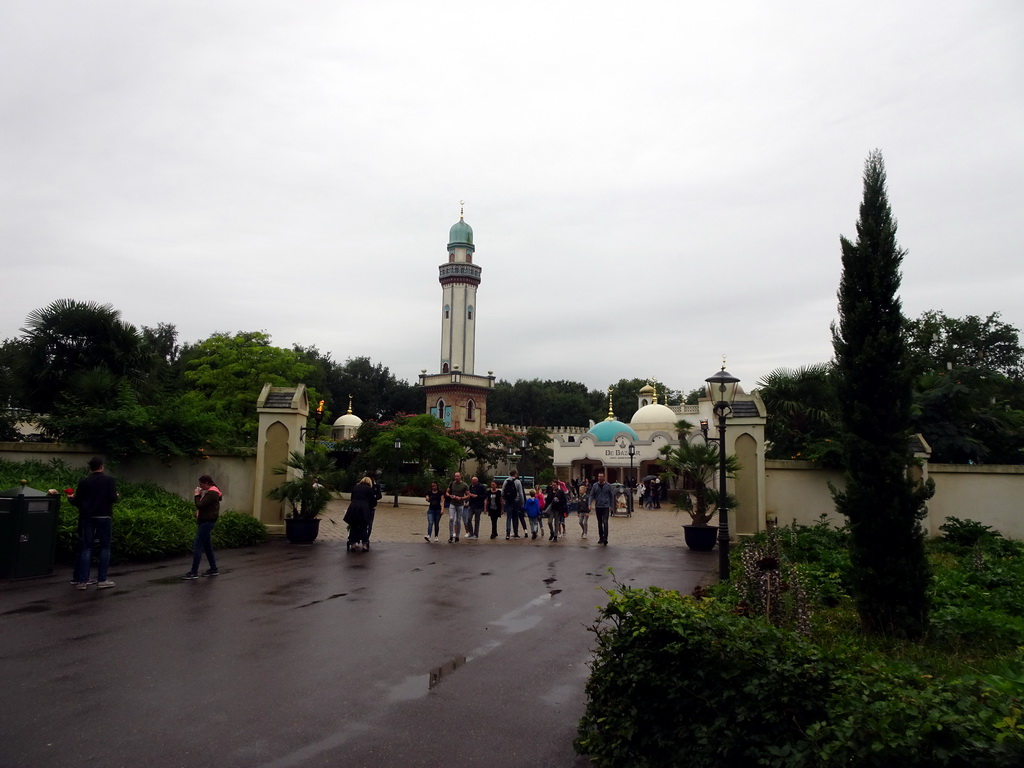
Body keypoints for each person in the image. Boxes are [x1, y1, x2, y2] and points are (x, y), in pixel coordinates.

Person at [71, 457, 119, 590]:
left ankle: (82, 581)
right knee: (105, 547)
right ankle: (102, 579)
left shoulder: (84, 482)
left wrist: (70, 498)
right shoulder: (109, 480)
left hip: (87, 517)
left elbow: (77, 501)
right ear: (102, 467)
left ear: (90, 468)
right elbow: (112, 498)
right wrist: (117, 495)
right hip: (104, 516)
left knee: (87, 547)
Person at [182, 475, 222, 579]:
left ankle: (194, 572)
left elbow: (200, 505)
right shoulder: (213, 492)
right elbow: (205, 507)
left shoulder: (212, 493)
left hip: (206, 522)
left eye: (201, 484)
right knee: (207, 546)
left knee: (197, 546)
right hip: (206, 521)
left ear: (206, 483)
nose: (200, 486)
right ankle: (213, 569)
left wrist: (197, 495)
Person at [344, 476, 376, 552]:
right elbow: (373, 502)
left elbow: (352, 498)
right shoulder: (369, 489)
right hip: (364, 509)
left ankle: (353, 544)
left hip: (353, 508)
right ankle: (364, 545)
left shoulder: (355, 487)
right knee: (364, 527)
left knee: (353, 526)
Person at [588, 472, 615, 546]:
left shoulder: (608, 485)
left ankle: (605, 538)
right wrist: (589, 504)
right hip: (598, 506)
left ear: (604, 477)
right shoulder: (595, 485)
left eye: (601, 477)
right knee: (599, 522)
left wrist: (612, 506)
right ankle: (601, 537)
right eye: (598, 476)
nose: (599, 478)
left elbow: (611, 496)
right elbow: (591, 495)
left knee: (605, 522)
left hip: (606, 506)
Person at [446, 471, 470, 543]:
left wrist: (461, 498)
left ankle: (457, 536)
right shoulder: (452, 484)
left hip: (460, 504)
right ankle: (451, 535)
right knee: (451, 518)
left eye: (457, 476)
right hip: (452, 503)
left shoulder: (464, 485)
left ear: (460, 477)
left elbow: (468, 495)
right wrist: (450, 495)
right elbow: (447, 492)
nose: (456, 478)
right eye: (455, 476)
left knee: (458, 520)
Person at [501, 470, 526, 539]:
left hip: (508, 501)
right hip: (516, 501)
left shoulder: (506, 481)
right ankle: (516, 533)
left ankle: (508, 534)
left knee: (509, 517)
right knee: (515, 517)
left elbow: (502, 492)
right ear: (515, 474)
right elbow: (521, 493)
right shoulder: (518, 482)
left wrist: (504, 499)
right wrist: (522, 503)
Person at [364, 473, 383, 550]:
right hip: (365, 506)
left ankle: (366, 538)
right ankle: (363, 538)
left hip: (371, 506)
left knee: (369, 524)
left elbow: (380, 495)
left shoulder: (376, 485)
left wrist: (374, 497)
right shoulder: (365, 484)